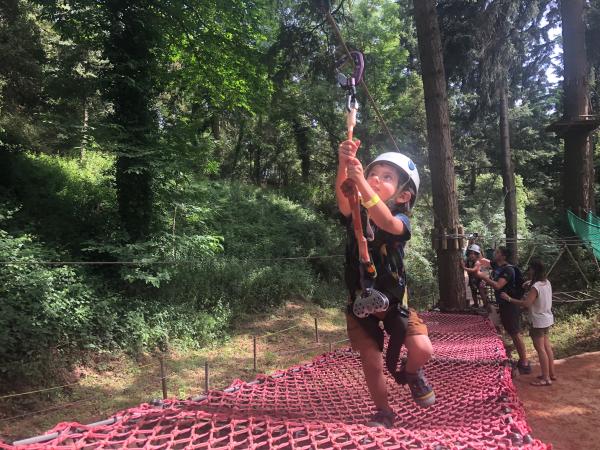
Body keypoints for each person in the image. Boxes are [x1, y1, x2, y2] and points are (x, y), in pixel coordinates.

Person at [337, 138, 434, 429]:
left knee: (422, 348)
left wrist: (362, 183)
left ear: (403, 195)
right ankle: (384, 411)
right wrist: (344, 162)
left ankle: (413, 371)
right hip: (361, 302)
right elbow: (344, 200)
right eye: (372, 173)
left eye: (387, 177)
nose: (376, 178)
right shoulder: (356, 210)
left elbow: (385, 221)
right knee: (372, 360)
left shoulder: (401, 218)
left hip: (393, 302)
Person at [475, 246, 531, 374]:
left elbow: (498, 285)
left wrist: (482, 276)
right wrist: (475, 251)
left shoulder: (508, 270)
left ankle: (524, 363)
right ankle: (521, 360)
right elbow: (484, 261)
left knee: (515, 333)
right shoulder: (497, 266)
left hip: (511, 305)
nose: (495, 253)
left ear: (503, 256)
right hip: (504, 304)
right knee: (511, 331)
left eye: (498, 252)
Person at [501, 259, 555, 386]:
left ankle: (545, 378)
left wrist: (509, 298)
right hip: (547, 318)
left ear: (534, 270)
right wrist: (529, 284)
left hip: (538, 321)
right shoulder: (546, 282)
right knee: (547, 347)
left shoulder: (535, 287)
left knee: (540, 349)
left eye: (530, 269)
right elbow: (534, 287)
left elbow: (526, 304)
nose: (529, 271)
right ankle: (551, 373)